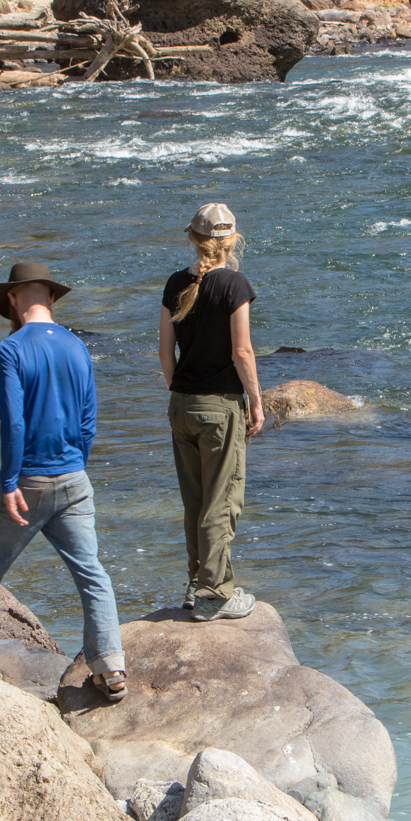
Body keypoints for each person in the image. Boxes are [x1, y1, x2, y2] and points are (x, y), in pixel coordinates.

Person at [0, 261, 128, 701]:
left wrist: (12, 479)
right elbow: (89, 421)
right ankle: (111, 669)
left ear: (13, 300)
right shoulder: (78, 347)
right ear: (50, 298)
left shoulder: (11, 349)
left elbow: (13, 423)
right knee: (92, 574)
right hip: (74, 478)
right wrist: (74, 466)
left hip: (27, 481)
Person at [159, 203, 264, 622]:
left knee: (196, 500)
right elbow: (242, 351)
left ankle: (195, 583)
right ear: (232, 239)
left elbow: (166, 354)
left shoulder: (175, 284)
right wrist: (256, 400)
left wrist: (180, 391)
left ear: (193, 238)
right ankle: (214, 595)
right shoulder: (234, 284)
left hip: (181, 403)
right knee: (221, 503)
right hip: (220, 408)